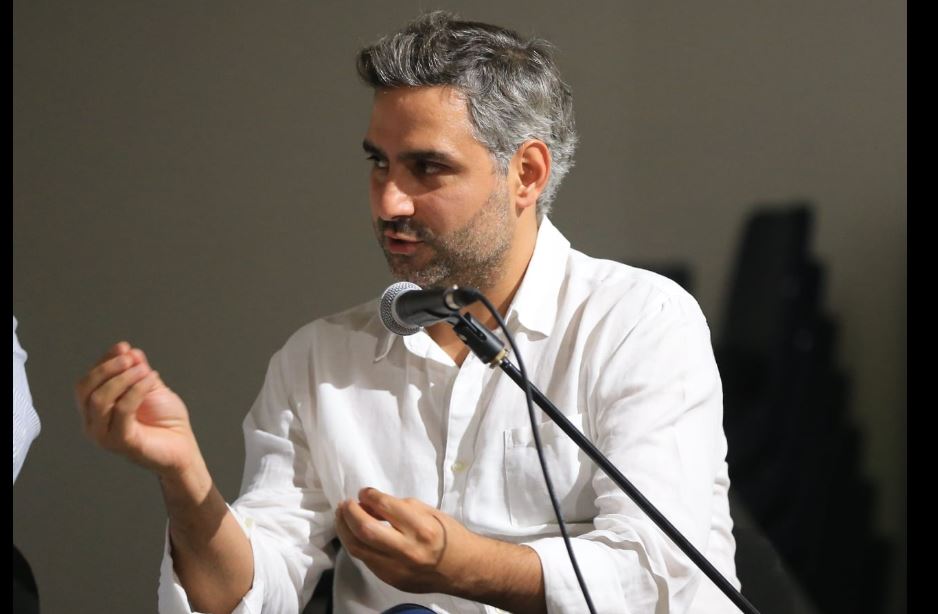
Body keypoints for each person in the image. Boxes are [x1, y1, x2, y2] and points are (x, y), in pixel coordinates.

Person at [75, 12, 739, 614]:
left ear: (527, 174)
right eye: (379, 164)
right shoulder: (321, 358)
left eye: (427, 168)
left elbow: (656, 577)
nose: (389, 202)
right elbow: (251, 595)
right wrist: (185, 479)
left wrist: (466, 568)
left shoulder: (638, 323)